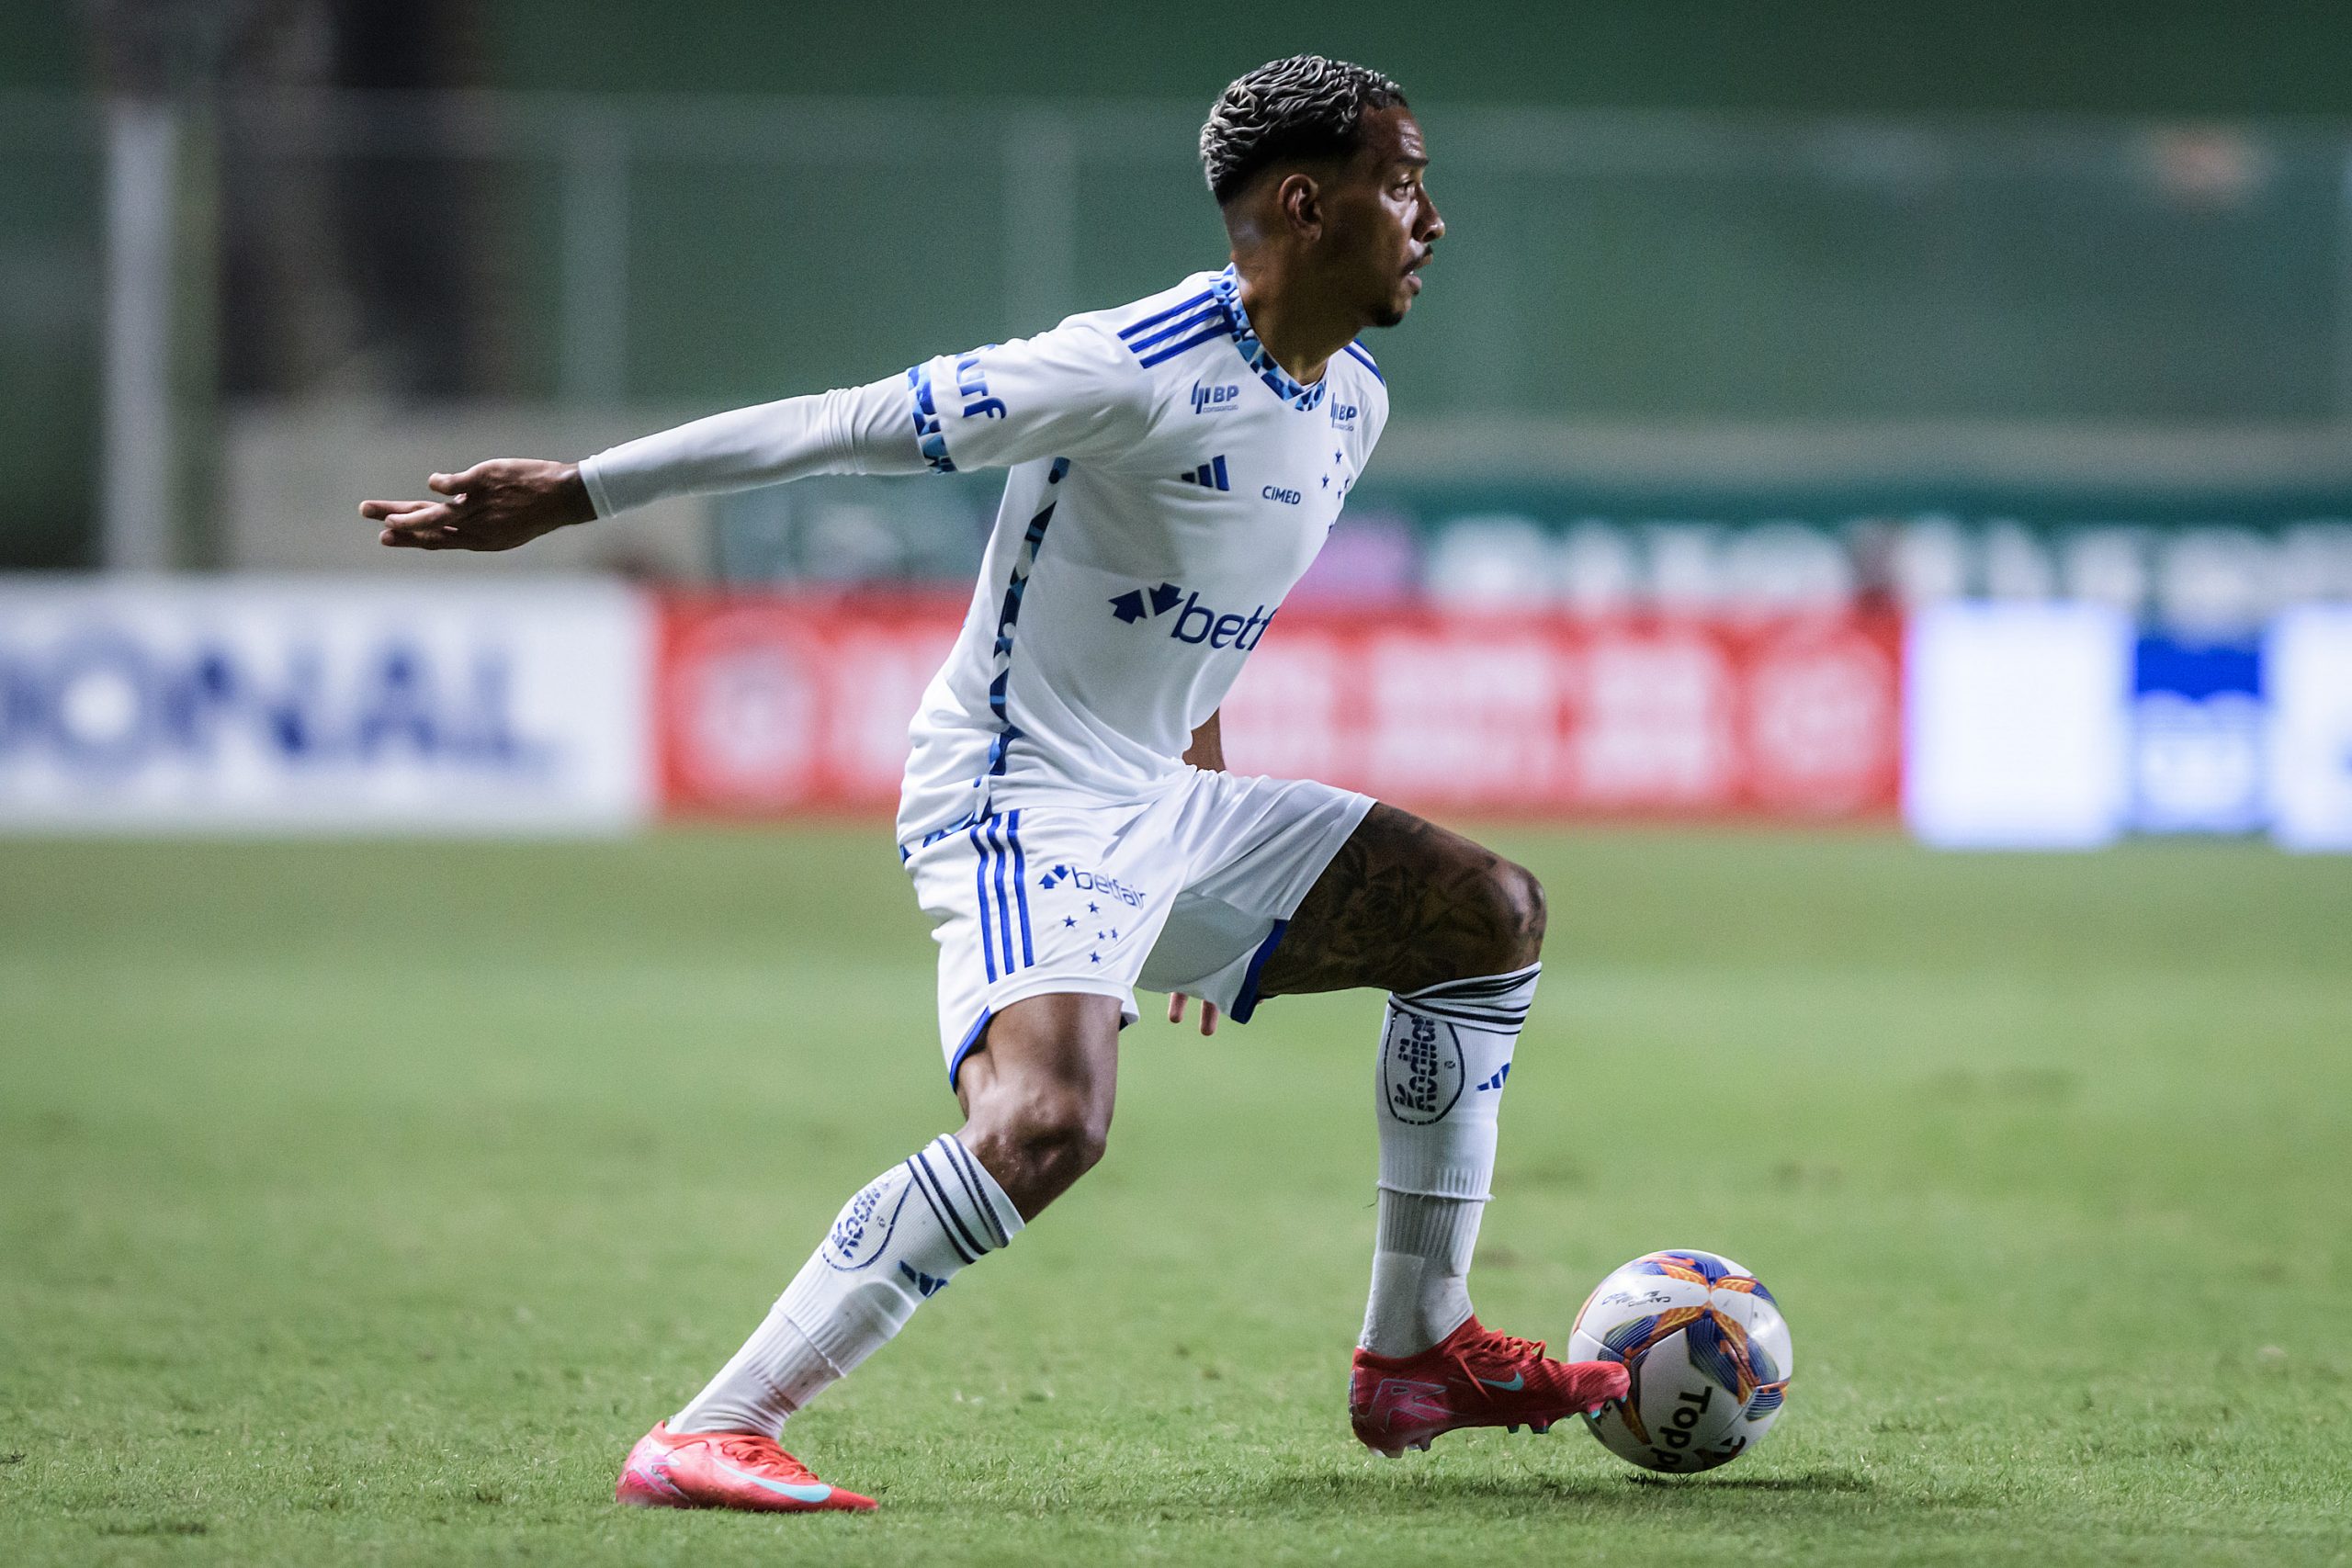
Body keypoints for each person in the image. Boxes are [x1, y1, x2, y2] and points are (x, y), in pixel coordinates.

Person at [361, 54, 1627, 1515]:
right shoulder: (1128, 367)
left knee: (1487, 913)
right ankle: (712, 1428)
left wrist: (1203, 846)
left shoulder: (1351, 403)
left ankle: (1418, 1347)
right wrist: (577, 492)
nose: (1430, 217)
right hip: (1016, 794)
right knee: (1046, 1128)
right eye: (1401, 183)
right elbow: (842, 422)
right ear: (1305, 203)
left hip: (1160, 801)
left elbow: (1197, 614)